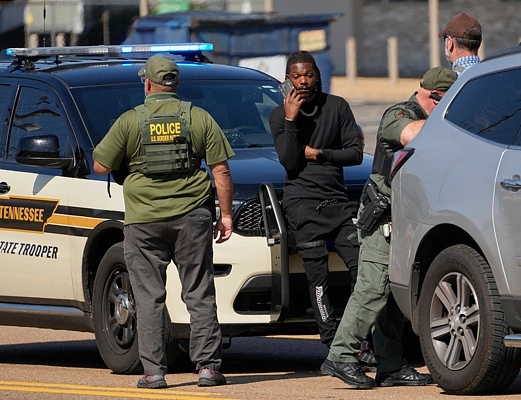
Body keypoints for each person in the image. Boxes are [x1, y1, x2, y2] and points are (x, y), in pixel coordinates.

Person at [92, 55, 234, 389]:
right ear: (176, 83)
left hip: (143, 220)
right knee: (198, 292)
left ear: (147, 84)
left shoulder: (131, 120)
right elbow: (221, 171)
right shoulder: (197, 117)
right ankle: (208, 368)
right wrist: (226, 216)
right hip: (192, 216)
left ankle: (154, 372)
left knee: (149, 296)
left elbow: (100, 165)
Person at [321, 66, 458, 389]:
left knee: (393, 294)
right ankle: (341, 355)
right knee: (373, 287)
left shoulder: (433, 117)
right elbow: (408, 135)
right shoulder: (399, 114)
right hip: (381, 218)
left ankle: (391, 365)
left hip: (407, 219)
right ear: (435, 98)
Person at [269, 50, 363, 351]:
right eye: (296, 76)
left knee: (362, 268)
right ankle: (332, 342)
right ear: (287, 80)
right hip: (302, 205)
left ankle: (356, 334)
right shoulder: (279, 116)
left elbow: (355, 154)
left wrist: (320, 154)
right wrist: (291, 119)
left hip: (337, 203)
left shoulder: (337, 106)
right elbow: (289, 162)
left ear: (317, 76)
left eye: (308, 75)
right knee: (318, 278)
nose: (303, 81)